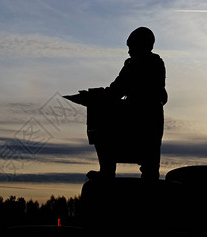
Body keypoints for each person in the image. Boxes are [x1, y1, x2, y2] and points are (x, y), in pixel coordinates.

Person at [64, 27, 167, 180]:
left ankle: (107, 170)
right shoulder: (156, 63)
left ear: (141, 45)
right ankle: (149, 172)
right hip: (149, 118)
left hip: (138, 118)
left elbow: (116, 91)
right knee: (150, 164)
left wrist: (93, 96)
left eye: (131, 47)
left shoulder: (135, 65)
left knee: (98, 112)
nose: (129, 51)